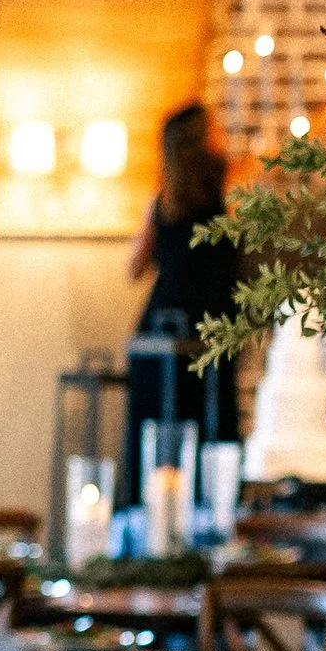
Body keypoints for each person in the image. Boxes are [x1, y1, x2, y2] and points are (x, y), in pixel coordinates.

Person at [124, 102, 245, 484]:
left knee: (156, 436)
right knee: (209, 429)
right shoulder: (227, 186)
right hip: (208, 329)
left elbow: (134, 268)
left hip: (160, 329)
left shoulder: (162, 200)